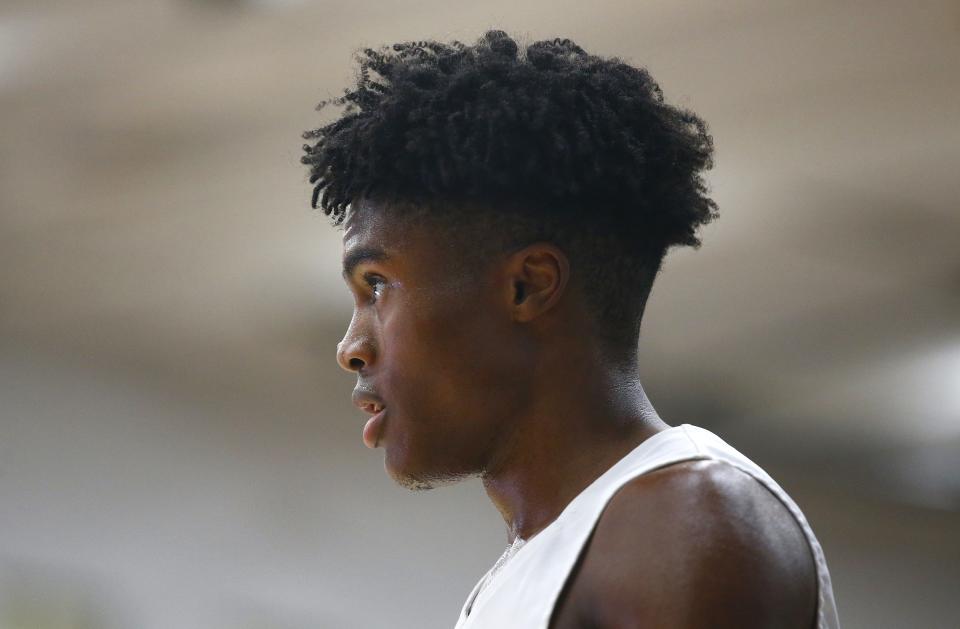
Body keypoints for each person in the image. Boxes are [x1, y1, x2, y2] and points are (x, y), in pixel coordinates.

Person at [301, 30, 839, 629]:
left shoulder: (682, 517)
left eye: (376, 285)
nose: (351, 347)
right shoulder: (547, 556)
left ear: (526, 286)